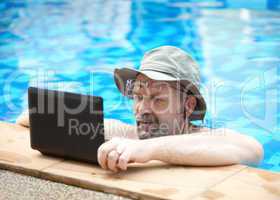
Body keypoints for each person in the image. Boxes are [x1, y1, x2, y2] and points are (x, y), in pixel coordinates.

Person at [16, 46, 263, 172]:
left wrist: (147, 149)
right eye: (138, 96)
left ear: (188, 106)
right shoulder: (127, 134)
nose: (142, 109)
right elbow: (29, 118)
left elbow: (253, 149)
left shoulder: (204, 138)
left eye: (158, 99)